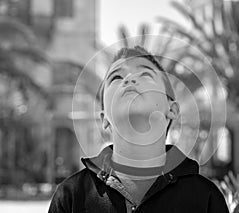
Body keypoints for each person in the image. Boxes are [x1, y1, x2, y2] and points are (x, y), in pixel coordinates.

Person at [48, 46, 229, 213]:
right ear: (104, 119)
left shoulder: (206, 198)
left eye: (145, 74)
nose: (129, 79)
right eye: (116, 78)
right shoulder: (70, 197)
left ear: (172, 109)